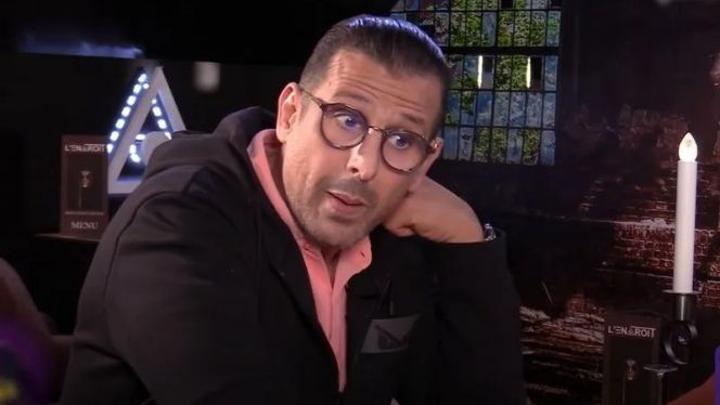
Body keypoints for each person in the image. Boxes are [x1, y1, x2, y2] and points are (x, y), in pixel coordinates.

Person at [60, 15, 526, 404]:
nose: (364, 165)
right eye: (346, 120)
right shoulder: (176, 222)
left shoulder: (393, 237)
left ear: (425, 161)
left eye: (402, 140)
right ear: (290, 114)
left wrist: (468, 238)